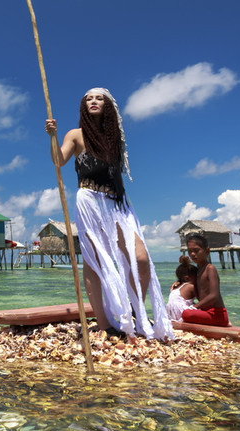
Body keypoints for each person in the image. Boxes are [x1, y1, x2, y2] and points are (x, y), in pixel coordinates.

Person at [46, 88, 173, 340]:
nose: (93, 101)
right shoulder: (75, 135)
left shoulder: (113, 138)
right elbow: (59, 161)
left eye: (99, 98)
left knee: (141, 258)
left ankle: (135, 312)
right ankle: (103, 323)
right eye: (88, 99)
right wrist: (53, 136)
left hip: (116, 202)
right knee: (93, 260)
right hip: (89, 199)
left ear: (108, 106)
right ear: (83, 106)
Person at [180, 233, 230, 327]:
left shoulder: (210, 269)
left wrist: (195, 307)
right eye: (190, 251)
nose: (193, 254)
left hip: (216, 314)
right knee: (182, 311)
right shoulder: (198, 271)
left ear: (207, 251)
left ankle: (224, 321)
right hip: (205, 311)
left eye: (196, 250)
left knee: (186, 314)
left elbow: (214, 295)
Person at [166, 257, 198, 322]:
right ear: (187, 278)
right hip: (182, 313)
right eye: (197, 277)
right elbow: (203, 300)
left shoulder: (175, 286)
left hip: (171, 314)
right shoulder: (191, 286)